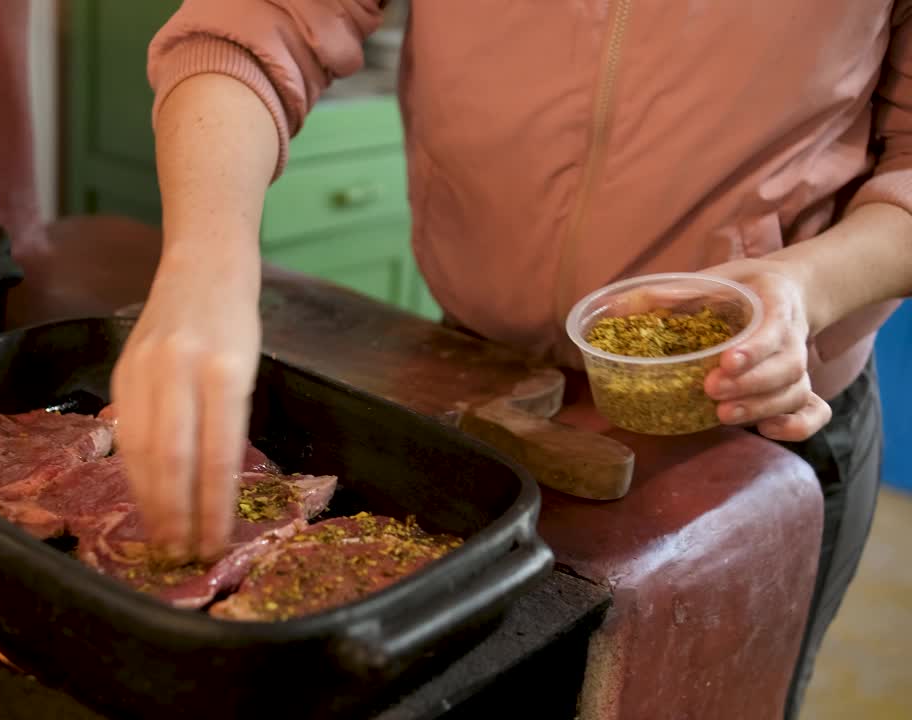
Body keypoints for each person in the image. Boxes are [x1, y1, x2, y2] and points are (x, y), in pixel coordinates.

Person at [108, 1, 912, 716]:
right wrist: (206, 261)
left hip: (760, 421)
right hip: (482, 374)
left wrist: (802, 284)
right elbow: (253, 24)